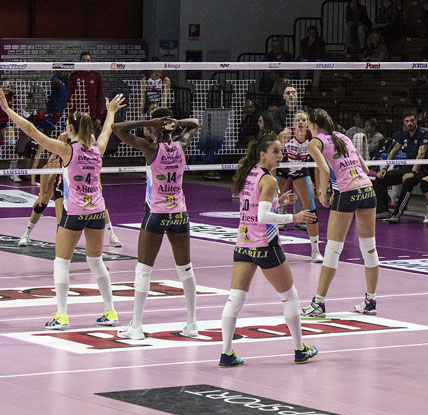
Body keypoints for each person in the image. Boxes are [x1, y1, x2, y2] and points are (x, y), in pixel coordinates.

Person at [1, 91, 126, 329]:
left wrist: (8, 112)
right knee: (96, 261)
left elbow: (32, 131)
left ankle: (62, 315)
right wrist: (110, 112)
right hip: (97, 212)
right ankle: (110, 311)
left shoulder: (67, 150)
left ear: (69, 128)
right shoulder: (97, 149)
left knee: (61, 262)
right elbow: (107, 131)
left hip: (76, 213)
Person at [219, 134, 318, 367]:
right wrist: (294, 217)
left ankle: (226, 353)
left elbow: (254, 206)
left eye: (281, 151)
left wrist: (278, 202)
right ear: (263, 154)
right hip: (265, 244)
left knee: (235, 299)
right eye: (276, 151)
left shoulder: (249, 174)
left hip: (243, 243)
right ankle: (299, 349)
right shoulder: (269, 180)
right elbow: (262, 217)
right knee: (289, 296)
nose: (280, 155)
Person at [111, 109, 200, 340]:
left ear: (154, 127)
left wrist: (151, 121)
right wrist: (176, 122)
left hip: (157, 213)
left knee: (144, 269)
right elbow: (195, 123)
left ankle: (136, 326)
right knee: (186, 268)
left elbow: (116, 128)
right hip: (179, 214)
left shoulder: (150, 148)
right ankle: (192, 323)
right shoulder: (181, 145)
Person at [301, 109, 379, 317]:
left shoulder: (314, 142)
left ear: (312, 125)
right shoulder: (343, 137)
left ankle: (318, 304)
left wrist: (322, 192)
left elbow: (325, 170)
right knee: (369, 247)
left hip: (347, 192)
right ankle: (370, 301)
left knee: (333, 249)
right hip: (367, 189)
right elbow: (364, 167)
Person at [277, 110, 324, 263]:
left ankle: (315, 250)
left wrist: (320, 187)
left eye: (304, 120)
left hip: (301, 171)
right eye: (297, 120)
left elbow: (318, 166)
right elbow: (272, 156)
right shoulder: (285, 135)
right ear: (293, 124)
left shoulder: (313, 139)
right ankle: (264, 244)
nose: (301, 123)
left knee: (310, 208)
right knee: (269, 204)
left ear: (308, 124)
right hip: (282, 169)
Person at [374, 111, 428, 223]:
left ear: (416, 120)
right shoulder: (403, 134)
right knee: (380, 178)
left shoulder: (424, 134)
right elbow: (394, 150)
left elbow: (421, 155)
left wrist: (413, 173)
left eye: (412, 120)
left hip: (421, 168)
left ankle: (397, 213)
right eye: (407, 121)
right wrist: (385, 169)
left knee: (408, 181)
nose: (409, 123)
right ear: (404, 122)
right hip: (407, 167)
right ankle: (383, 211)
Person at [17, 133, 70, 246]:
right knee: (43, 200)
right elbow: (53, 157)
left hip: (76, 177)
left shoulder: (88, 138)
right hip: (58, 171)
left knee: (96, 203)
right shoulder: (64, 136)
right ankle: (26, 234)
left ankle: (109, 234)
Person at [66, 51, 105, 126]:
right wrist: (69, 114)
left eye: (88, 60)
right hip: (77, 115)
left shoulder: (96, 76)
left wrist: (99, 117)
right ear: (80, 61)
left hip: (91, 116)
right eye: (83, 60)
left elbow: (99, 98)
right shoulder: (74, 76)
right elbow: (69, 97)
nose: (86, 62)